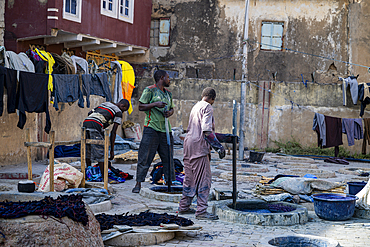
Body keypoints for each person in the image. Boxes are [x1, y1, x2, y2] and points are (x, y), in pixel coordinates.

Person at [178, 87, 228, 220]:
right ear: (212, 99)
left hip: (188, 145)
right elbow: (206, 131)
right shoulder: (208, 107)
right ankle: (201, 212)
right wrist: (218, 147)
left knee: (190, 179)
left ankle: (183, 207)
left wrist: (224, 137)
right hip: (198, 147)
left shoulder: (196, 106)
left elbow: (201, 129)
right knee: (204, 179)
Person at [132, 70, 175, 193]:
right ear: (161, 78)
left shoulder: (168, 94)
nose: (169, 80)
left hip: (166, 130)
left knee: (168, 158)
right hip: (151, 128)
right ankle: (138, 183)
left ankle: (169, 183)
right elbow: (141, 106)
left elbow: (172, 109)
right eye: (168, 77)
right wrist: (155, 104)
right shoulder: (149, 90)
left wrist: (169, 113)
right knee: (145, 157)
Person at [83, 99, 129, 177]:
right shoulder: (118, 112)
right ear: (123, 106)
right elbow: (113, 132)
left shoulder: (106, 103)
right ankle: (105, 178)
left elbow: (90, 113)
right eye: (124, 110)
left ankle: (89, 173)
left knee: (88, 150)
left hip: (86, 122)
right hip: (96, 124)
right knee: (101, 152)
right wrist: (112, 151)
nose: (123, 113)